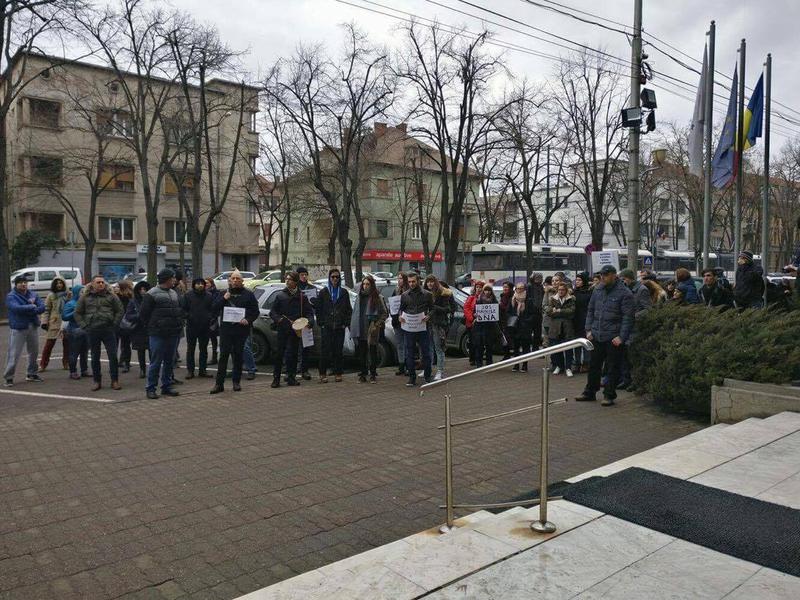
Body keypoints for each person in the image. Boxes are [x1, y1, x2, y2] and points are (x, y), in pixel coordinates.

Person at [575, 265, 634, 406]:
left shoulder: (624, 293)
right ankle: (590, 392)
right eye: (602, 274)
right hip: (597, 335)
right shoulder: (598, 290)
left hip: (613, 337)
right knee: (594, 365)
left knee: (612, 367)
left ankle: (609, 395)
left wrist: (621, 337)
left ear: (614, 275)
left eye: (606, 275)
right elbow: (591, 310)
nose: (603, 277)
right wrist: (588, 330)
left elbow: (628, 317)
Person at [210, 269, 259, 394]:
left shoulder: (248, 294)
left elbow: (255, 311)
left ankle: (236, 382)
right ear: (229, 281)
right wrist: (223, 299)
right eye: (233, 278)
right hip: (226, 330)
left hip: (241, 330)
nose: (235, 281)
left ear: (242, 281)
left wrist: (248, 319)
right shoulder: (223, 293)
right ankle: (219, 384)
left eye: (238, 279)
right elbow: (214, 309)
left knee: (238, 357)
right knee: (224, 357)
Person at [139, 269, 183, 399]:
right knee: (156, 362)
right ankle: (150, 388)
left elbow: (177, 310)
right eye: (173, 278)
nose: (175, 280)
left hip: (173, 332)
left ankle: (166, 386)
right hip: (158, 334)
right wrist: (154, 326)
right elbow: (143, 314)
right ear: (167, 279)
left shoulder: (173, 293)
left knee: (169, 361)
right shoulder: (151, 294)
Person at [74, 275, 123, 391]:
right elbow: (77, 313)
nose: (101, 284)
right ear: (92, 284)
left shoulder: (111, 296)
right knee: (95, 357)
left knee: (113, 356)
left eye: (102, 282)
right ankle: (97, 381)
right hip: (92, 330)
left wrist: (114, 324)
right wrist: (84, 326)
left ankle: (114, 380)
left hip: (108, 330)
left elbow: (120, 310)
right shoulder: (85, 297)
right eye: (98, 282)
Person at [269, 272, 314, 388]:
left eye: (290, 279)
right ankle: (276, 378)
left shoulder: (302, 297)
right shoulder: (280, 296)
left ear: (295, 282)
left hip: (295, 330)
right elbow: (272, 312)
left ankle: (291, 377)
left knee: (293, 355)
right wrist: (278, 319)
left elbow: (309, 312)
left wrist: (309, 322)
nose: (287, 281)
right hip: (283, 329)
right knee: (279, 354)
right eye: (286, 279)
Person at [4, 275, 46, 386]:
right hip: (18, 327)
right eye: (21, 282)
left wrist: (31, 308)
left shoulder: (32, 294)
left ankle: (31, 373)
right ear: (16, 284)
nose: (23, 284)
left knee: (34, 352)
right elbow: (16, 309)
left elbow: (42, 307)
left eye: (25, 282)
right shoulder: (11, 296)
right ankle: (9, 377)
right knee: (14, 354)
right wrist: (32, 307)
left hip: (32, 326)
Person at [618, 269, 652, 390]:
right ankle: (626, 379)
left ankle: (636, 382)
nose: (622, 282)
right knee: (624, 356)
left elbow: (648, 309)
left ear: (629, 278)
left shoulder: (642, 290)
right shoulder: (624, 290)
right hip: (625, 327)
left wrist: (633, 316)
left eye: (624, 280)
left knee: (633, 356)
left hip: (635, 328)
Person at [316, 268, 352, 383]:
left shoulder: (343, 292)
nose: (335, 279)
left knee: (338, 351)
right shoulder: (324, 292)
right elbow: (318, 309)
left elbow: (348, 310)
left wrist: (345, 323)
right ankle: (322, 373)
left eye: (337, 277)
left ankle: (338, 373)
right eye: (333, 277)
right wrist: (321, 323)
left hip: (339, 327)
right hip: (327, 326)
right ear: (329, 278)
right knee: (325, 351)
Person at [350, 275, 388, 383]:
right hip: (360, 327)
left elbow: (385, 313)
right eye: (364, 284)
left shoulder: (377, 297)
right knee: (362, 352)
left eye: (368, 284)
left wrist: (377, 324)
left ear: (372, 285)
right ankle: (363, 374)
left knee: (372, 351)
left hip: (372, 328)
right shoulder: (359, 297)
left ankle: (373, 374)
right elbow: (355, 312)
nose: (365, 286)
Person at [399, 272, 433, 386]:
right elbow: (401, 309)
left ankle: (428, 376)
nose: (411, 284)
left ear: (418, 281)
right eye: (409, 282)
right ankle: (412, 377)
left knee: (426, 353)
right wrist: (400, 316)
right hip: (409, 328)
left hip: (423, 328)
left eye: (413, 281)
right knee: (409, 353)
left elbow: (432, 309)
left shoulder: (427, 294)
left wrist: (429, 315)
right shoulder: (404, 295)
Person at [182, 278, 215, 379]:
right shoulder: (188, 295)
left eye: (202, 284)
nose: (200, 285)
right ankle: (190, 371)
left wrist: (209, 317)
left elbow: (212, 309)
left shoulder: (209, 296)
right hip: (192, 326)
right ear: (194, 285)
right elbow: (183, 309)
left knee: (203, 349)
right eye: (197, 284)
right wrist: (189, 316)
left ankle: (203, 370)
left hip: (204, 327)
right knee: (190, 349)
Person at [425, 275, 456, 381]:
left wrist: (433, 308)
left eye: (432, 281)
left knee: (439, 348)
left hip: (438, 324)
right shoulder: (425, 293)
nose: (429, 284)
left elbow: (447, 308)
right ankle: (427, 369)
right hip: (426, 323)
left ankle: (440, 371)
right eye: (428, 282)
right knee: (427, 348)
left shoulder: (443, 294)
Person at [39, 277, 70, 372]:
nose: (59, 285)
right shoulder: (51, 296)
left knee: (67, 344)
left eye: (61, 283)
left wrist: (69, 299)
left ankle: (66, 363)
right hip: (54, 322)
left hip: (66, 322)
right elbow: (46, 310)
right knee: (49, 344)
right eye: (57, 283)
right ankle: (43, 364)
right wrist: (44, 322)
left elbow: (72, 306)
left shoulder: (68, 295)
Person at [545, 283, 576, 376]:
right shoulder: (552, 298)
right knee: (556, 347)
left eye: (563, 290)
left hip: (567, 326)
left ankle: (568, 367)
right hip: (555, 327)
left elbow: (572, 311)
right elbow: (549, 311)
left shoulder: (571, 299)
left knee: (568, 348)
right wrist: (561, 312)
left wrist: (559, 310)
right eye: (559, 290)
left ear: (566, 290)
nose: (561, 291)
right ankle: (559, 366)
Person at [62, 284, 89, 379]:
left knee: (84, 352)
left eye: (85, 291)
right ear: (77, 292)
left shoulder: (86, 302)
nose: (84, 293)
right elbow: (64, 316)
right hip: (74, 330)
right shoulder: (70, 303)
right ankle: (73, 371)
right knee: (74, 352)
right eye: (82, 291)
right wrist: (76, 311)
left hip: (86, 330)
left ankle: (84, 370)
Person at [125, 281, 151, 378]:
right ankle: (142, 369)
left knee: (152, 350)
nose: (143, 291)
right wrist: (139, 316)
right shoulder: (133, 301)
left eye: (145, 289)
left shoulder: (151, 300)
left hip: (150, 328)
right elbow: (128, 315)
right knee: (141, 351)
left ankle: (152, 369)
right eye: (141, 289)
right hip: (138, 329)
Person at [508, 282, 536, 372]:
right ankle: (516, 365)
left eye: (521, 288)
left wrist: (527, 321)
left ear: (524, 289)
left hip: (525, 327)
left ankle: (524, 365)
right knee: (515, 347)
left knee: (525, 347)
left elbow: (533, 314)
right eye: (518, 288)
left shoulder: (529, 300)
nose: (519, 290)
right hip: (515, 327)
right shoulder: (512, 299)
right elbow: (508, 312)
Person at [473, 284, 499, 368]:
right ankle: (479, 362)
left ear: (491, 291)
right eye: (485, 290)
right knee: (479, 345)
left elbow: (497, 313)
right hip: (480, 326)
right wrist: (475, 314)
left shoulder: (494, 301)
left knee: (489, 345)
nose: (487, 292)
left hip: (490, 326)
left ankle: (489, 361)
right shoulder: (479, 300)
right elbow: (474, 311)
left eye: (489, 290)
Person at [296, 266, 315, 380]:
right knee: (294, 347)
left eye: (305, 274)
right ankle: (295, 368)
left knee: (306, 347)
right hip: (296, 321)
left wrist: (314, 302)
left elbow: (313, 307)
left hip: (307, 321)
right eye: (301, 275)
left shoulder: (311, 288)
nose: (304, 276)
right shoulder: (295, 288)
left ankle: (305, 369)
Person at [572, 272, 592, 372]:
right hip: (576, 320)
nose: (577, 282)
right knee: (576, 343)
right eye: (576, 280)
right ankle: (577, 362)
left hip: (585, 320)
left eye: (579, 280)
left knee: (586, 342)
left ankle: (586, 363)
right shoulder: (573, 292)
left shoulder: (589, 293)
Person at [391, 273, 410, 376]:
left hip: (407, 320)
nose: (399, 280)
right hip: (397, 321)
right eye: (398, 278)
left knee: (407, 344)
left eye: (401, 278)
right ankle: (401, 365)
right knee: (400, 344)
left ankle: (408, 365)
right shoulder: (396, 290)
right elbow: (393, 305)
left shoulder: (409, 291)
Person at [116, 280, 134, 373]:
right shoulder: (131, 297)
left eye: (118, 286)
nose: (115, 288)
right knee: (125, 344)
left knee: (124, 344)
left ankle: (124, 362)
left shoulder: (119, 297)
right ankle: (124, 362)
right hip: (125, 323)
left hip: (120, 323)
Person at [463, 280, 483, 366]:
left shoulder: (484, 298)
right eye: (477, 287)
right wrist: (472, 319)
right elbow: (466, 308)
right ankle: (472, 358)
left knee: (480, 342)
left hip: (481, 324)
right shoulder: (471, 298)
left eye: (480, 287)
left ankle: (479, 358)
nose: (478, 289)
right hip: (471, 324)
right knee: (472, 342)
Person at [526, 273, 545, 351]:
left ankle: (535, 349)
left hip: (538, 313)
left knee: (537, 333)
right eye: (537, 277)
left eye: (540, 277)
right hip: (531, 313)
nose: (539, 279)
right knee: (529, 332)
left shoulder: (541, 287)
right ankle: (527, 350)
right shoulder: (529, 286)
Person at [204, 277, 220, 364]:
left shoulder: (216, 293)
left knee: (213, 339)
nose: (206, 285)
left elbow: (215, 305)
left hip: (214, 319)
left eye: (207, 283)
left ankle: (214, 357)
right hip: (205, 319)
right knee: (206, 339)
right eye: (205, 283)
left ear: (212, 284)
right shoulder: (203, 293)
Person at [498, 281, 514, 361]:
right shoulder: (502, 297)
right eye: (504, 287)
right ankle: (506, 354)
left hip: (510, 320)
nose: (505, 288)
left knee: (510, 337)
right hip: (502, 320)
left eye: (506, 287)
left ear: (510, 288)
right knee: (504, 338)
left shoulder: (513, 297)